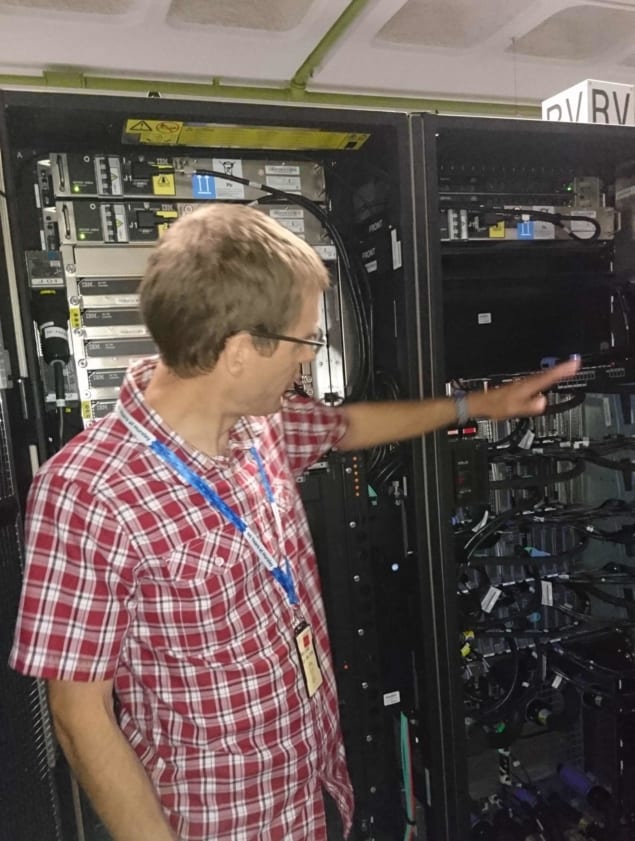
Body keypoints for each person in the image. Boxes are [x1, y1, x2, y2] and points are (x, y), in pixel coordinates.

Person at [9, 203, 580, 841]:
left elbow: (349, 427)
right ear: (239, 349)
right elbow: (78, 716)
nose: (308, 361)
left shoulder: (260, 425)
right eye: (304, 340)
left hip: (314, 788)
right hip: (218, 821)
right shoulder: (88, 492)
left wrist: (481, 403)